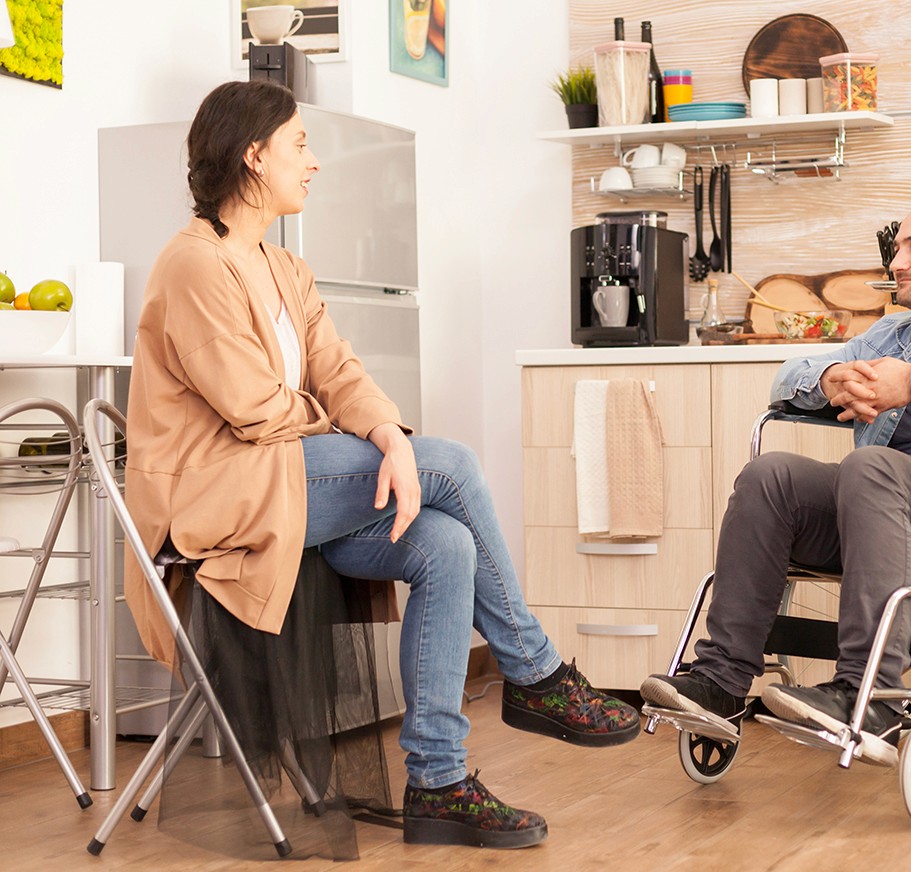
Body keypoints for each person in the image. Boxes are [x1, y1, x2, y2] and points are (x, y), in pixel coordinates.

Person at [125, 79, 637, 851]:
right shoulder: (193, 264)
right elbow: (254, 408)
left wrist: (387, 434)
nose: (315, 162)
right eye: (300, 144)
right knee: (454, 464)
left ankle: (439, 783)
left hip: (289, 488)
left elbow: (339, 371)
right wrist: (371, 439)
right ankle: (534, 675)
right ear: (253, 155)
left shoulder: (284, 269)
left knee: (445, 544)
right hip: (219, 503)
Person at [640, 198, 911, 764]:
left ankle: (867, 694)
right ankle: (721, 682)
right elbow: (785, 377)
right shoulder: (892, 335)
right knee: (769, 475)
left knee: (869, 468)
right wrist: (828, 378)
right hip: (879, 510)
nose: (897, 261)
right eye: (898, 247)